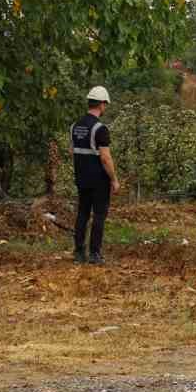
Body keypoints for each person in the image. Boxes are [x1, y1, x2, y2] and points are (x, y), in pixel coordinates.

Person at [71, 85, 119, 264]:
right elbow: (106, 158)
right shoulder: (100, 129)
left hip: (81, 177)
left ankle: (78, 252)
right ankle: (94, 254)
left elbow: (72, 151)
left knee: (82, 213)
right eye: (105, 104)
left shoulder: (74, 126)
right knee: (99, 215)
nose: (105, 107)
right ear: (101, 104)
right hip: (98, 180)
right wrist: (114, 179)